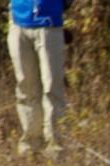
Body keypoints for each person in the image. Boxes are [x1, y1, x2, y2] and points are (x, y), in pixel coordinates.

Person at [7, 0, 72, 157]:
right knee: (25, 87)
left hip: (48, 24)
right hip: (18, 22)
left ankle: (55, 144)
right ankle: (31, 143)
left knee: (52, 87)